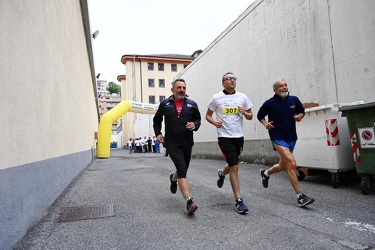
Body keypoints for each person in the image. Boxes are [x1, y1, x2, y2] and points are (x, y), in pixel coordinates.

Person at [257, 79, 315, 207]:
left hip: (291, 137)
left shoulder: (294, 100)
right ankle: (300, 197)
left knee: (283, 166)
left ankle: (266, 173)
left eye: (285, 85)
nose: (284, 88)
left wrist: (300, 116)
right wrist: (266, 123)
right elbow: (260, 115)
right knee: (292, 163)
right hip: (277, 137)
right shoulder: (269, 103)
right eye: (281, 86)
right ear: (275, 90)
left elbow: (302, 111)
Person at [206, 72, 253, 214]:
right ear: (223, 83)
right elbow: (208, 115)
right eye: (229, 79)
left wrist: (245, 113)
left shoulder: (243, 97)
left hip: (239, 137)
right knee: (235, 167)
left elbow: (250, 116)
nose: (232, 81)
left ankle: (221, 174)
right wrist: (215, 122)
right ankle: (239, 201)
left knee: (232, 165)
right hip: (224, 137)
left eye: (234, 79)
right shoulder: (216, 98)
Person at [153, 78, 201, 215]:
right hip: (172, 143)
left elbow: (198, 119)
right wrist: (158, 133)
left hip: (187, 142)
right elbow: (157, 119)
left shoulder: (192, 104)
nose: (182, 90)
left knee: (183, 168)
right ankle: (189, 202)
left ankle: (173, 178)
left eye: (184, 88)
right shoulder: (165, 104)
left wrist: (195, 125)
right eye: (179, 87)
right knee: (182, 169)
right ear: (172, 89)